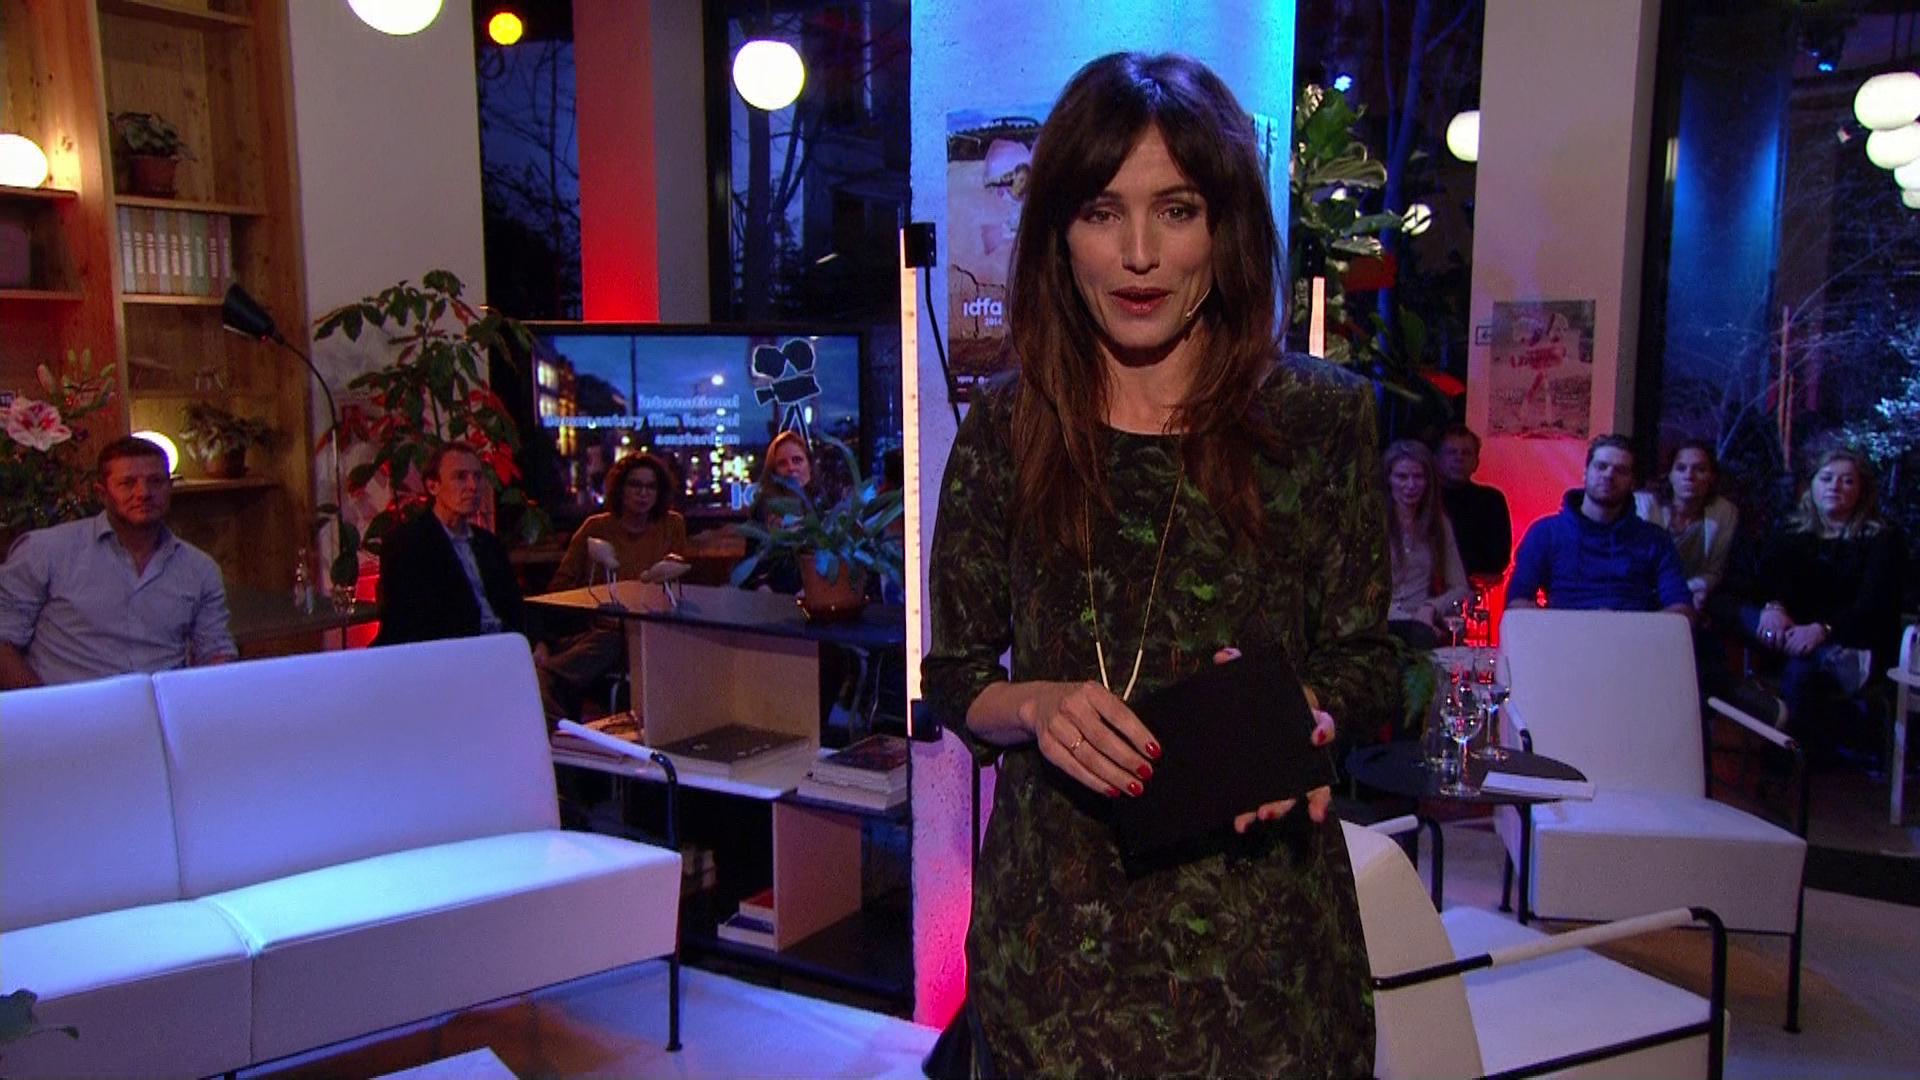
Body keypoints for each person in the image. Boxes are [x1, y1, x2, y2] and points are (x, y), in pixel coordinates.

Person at [922, 52, 1388, 1077]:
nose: (1139, 255)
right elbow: (952, 676)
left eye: (1176, 211)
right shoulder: (1007, 429)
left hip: (1264, 960)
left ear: (1225, 227)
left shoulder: (1319, 421)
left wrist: (1298, 718)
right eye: (1102, 211)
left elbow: (1371, 660)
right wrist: (1037, 705)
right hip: (1055, 960)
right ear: (1060, 234)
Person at [0, 436, 235, 689]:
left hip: (163, 707)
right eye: (127, 483)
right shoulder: (45, 551)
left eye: (155, 481)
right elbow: (4, 641)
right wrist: (45, 705)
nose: (144, 493)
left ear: (170, 487)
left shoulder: (199, 568)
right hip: (67, 706)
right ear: (102, 493)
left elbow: (216, 652)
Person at [1738, 447, 1904, 749]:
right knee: (1730, 608)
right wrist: (1773, 607)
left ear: (1862, 490)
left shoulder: (1882, 539)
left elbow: (1873, 607)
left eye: (1847, 481)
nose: (1834, 487)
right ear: (1812, 485)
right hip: (1787, 635)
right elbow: (1765, 581)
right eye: (1826, 478)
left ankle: (1789, 759)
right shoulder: (1790, 531)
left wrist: (1823, 629)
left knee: (1799, 670)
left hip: (1846, 640)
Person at [536, 453, 687, 722]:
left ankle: (551, 678)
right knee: (612, 638)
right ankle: (549, 684)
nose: (643, 493)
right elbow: (559, 587)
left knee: (630, 638)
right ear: (620, 488)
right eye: (635, 485)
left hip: (652, 631)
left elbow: (675, 580)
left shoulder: (671, 525)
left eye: (650, 487)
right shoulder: (596, 528)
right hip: (601, 629)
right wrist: (593, 604)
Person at [1508, 434, 1692, 616]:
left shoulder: (1655, 540)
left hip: (1633, 633)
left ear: (1632, 482)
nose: (1609, 475)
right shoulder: (1545, 533)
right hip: (1565, 632)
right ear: (1585, 473)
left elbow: (1681, 607)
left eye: (1621, 470)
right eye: (1601, 466)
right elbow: (1517, 601)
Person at [372, 443, 525, 647]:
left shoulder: (489, 544)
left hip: (506, 645)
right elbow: (412, 623)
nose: (473, 486)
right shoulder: (407, 544)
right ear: (433, 486)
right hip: (453, 652)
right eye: (460, 477)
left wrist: (536, 642)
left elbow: (515, 607)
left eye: (477, 477)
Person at [1382, 440, 1470, 649]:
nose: (1411, 485)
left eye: (1418, 477)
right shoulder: (1373, 523)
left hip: (1423, 623)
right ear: (1388, 480)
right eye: (1402, 477)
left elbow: (1460, 588)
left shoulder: (1439, 524)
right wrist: (1412, 622)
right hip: (1382, 622)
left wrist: (1431, 607)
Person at [1633, 440, 1739, 612]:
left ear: (1712, 477)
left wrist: (1687, 592)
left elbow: (1714, 572)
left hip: (1693, 594)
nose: (1689, 476)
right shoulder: (1644, 504)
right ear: (1670, 475)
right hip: (1642, 594)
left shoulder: (1724, 512)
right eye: (1681, 468)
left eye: (1700, 469)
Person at [739, 429, 815, 594]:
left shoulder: (825, 506)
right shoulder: (762, 508)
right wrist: (764, 589)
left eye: (797, 460)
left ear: (809, 465)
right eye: (782, 463)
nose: (791, 468)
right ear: (773, 472)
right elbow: (752, 567)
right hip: (774, 598)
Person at [1435, 423, 1513, 578]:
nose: (1459, 458)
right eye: (1452, 452)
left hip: (1472, 585)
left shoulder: (1491, 501)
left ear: (1476, 463)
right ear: (1436, 459)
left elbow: (1498, 559)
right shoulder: (1422, 498)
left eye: (1466, 453)